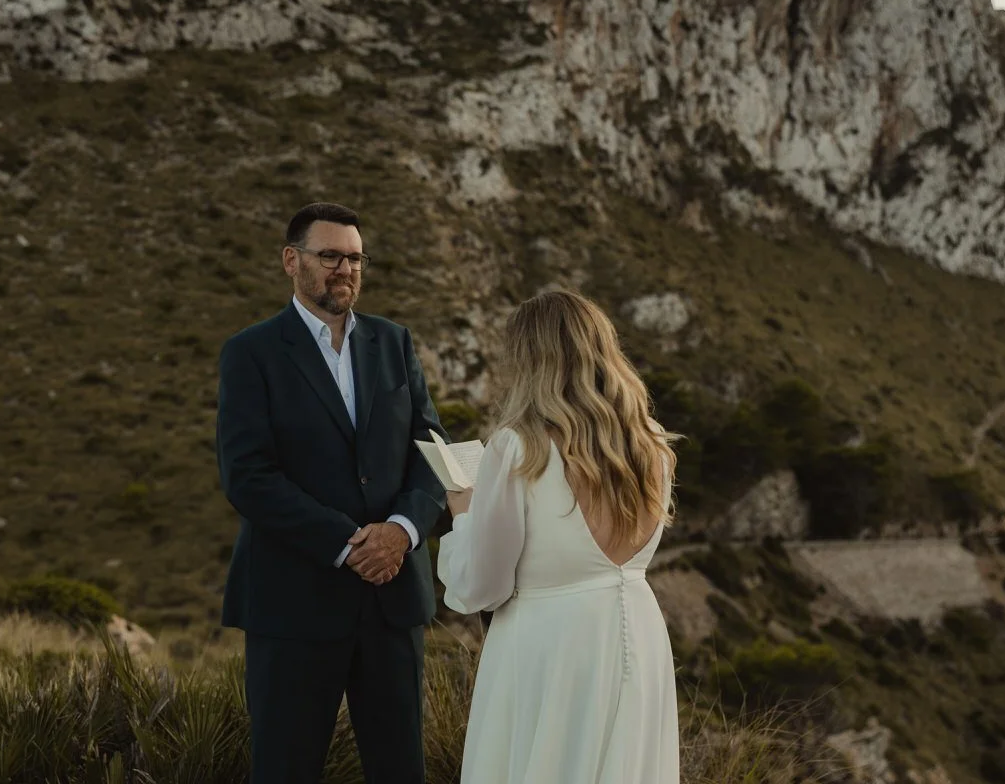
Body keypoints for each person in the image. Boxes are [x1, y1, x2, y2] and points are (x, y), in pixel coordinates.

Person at [215, 202, 449, 784]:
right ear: (292, 261)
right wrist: (349, 546)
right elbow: (248, 476)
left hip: (392, 601)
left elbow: (433, 456)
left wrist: (401, 533)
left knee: (400, 771)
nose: (344, 269)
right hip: (293, 603)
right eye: (330, 256)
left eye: (355, 258)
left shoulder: (395, 344)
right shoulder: (252, 353)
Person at [437, 288, 681, 784]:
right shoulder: (651, 442)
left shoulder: (519, 446)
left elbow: (480, 586)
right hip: (640, 630)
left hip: (551, 646)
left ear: (531, 360)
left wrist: (463, 511)